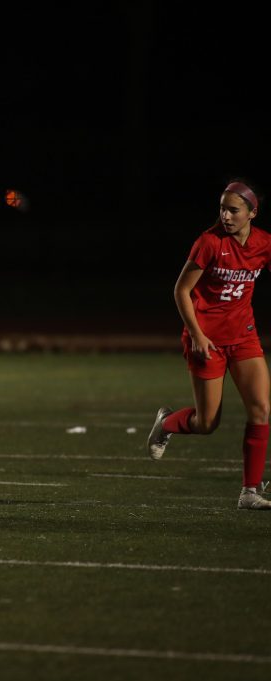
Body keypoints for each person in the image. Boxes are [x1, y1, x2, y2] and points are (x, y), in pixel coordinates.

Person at [147, 178, 271, 509]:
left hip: (244, 337)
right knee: (206, 423)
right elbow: (181, 290)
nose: (226, 216)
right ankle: (166, 423)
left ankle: (249, 492)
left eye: (234, 210)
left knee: (261, 409)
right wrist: (197, 334)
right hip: (207, 341)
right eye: (222, 209)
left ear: (252, 213)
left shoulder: (264, 243)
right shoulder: (209, 242)